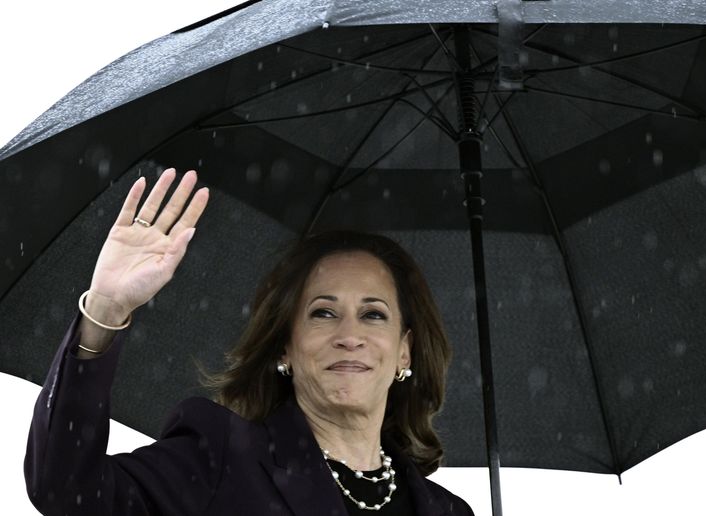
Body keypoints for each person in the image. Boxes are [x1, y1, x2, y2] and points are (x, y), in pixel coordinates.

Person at [25, 168, 474, 516]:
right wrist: (105, 309)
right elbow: (68, 491)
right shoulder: (219, 456)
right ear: (285, 348)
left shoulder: (448, 511)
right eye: (323, 313)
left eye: (373, 314)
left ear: (404, 351)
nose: (349, 335)